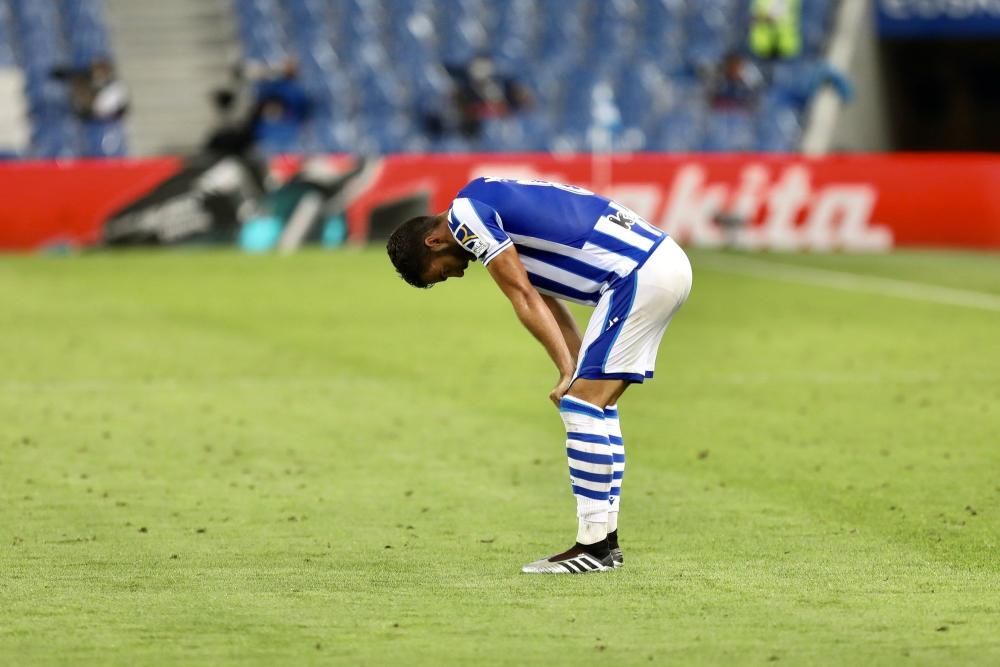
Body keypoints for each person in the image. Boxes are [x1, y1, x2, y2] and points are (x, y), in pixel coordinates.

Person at [386, 177, 693, 574]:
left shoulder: (466, 216)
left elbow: (523, 298)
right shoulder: (491, 213)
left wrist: (569, 372)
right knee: (596, 404)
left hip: (637, 275)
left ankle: (594, 547)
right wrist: (574, 366)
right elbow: (542, 297)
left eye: (442, 273)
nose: (456, 275)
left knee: (581, 404)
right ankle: (606, 541)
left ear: (434, 243)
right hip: (656, 266)